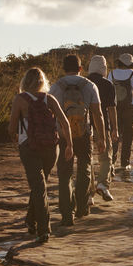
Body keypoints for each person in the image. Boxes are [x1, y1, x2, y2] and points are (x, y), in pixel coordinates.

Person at [7, 67, 73, 243]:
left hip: (30, 147)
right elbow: (65, 122)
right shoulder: (49, 99)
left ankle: (44, 230)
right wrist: (69, 146)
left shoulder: (20, 100)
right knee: (40, 185)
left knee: (38, 187)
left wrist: (15, 137)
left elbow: (12, 127)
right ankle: (30, 220)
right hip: (51, 147)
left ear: (25, 82)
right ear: (42, 82)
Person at [50, 54, 107, 226]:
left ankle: (67, 214)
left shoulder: (56, 87)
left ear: (63, 68)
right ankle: (82, 207)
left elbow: (49, 114)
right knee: (84, 169)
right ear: (81, 69)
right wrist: (102, 138)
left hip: (62, 136)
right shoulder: (90, 85)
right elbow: (97, 114)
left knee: (65, 174)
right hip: (84, 135)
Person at [86, 54, 117, 201]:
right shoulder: (107, 84)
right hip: (103, 124)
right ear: (104, 68)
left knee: (88, 160)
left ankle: (89, 193)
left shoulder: (84, 83)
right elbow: (111, 109)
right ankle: (103, 184)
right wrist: (115, 128)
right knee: (105, 157)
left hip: (84, 125)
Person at [110, 52, 133, 171]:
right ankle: (125, 163)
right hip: (130, 107)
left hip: (114, 107)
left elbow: (109, 92)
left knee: (114, 134)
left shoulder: (111, 73)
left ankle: (111, 162)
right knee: (128, 135)